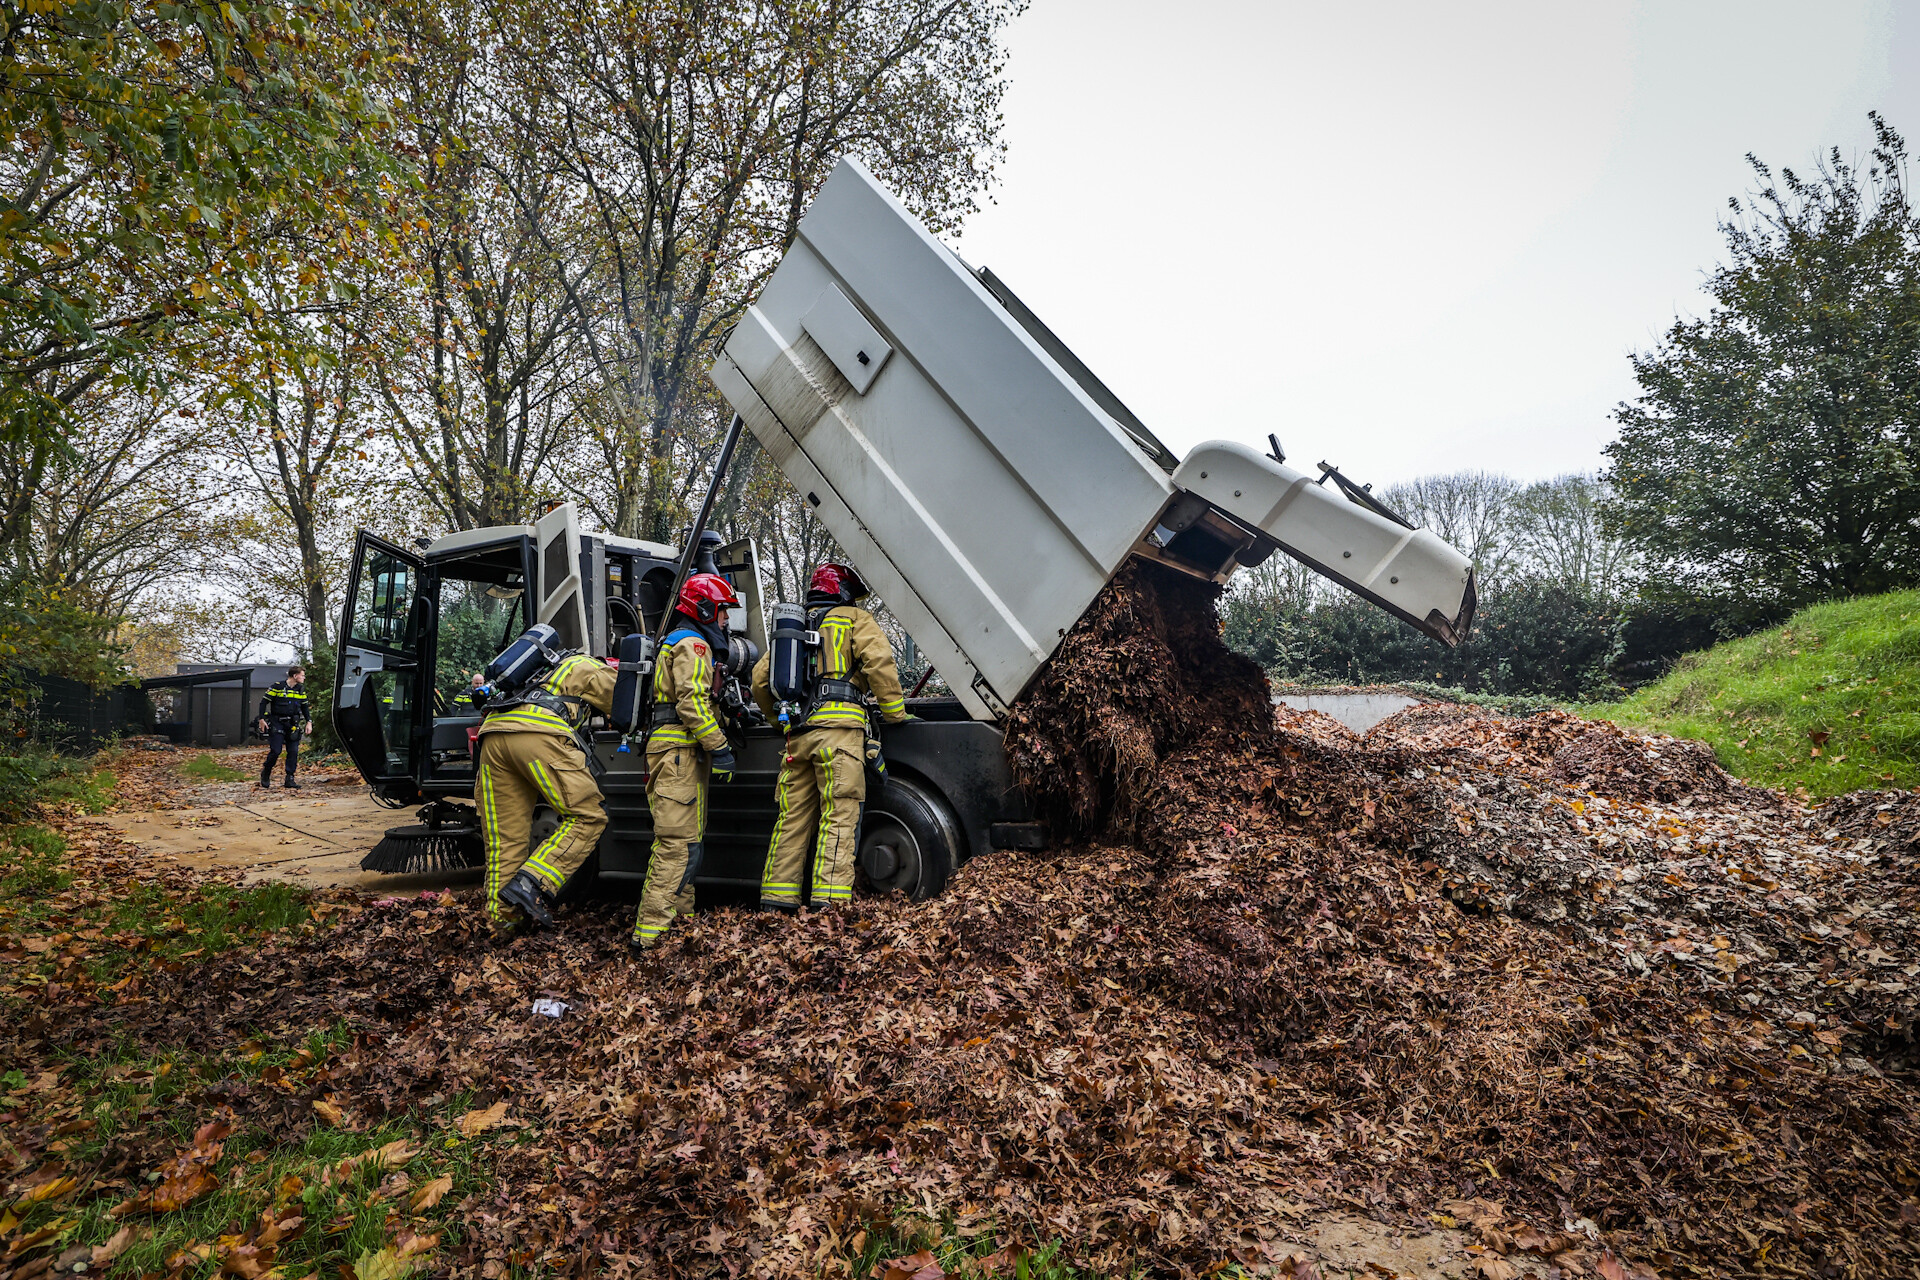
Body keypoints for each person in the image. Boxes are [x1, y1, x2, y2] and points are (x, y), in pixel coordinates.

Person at [750, 562, 910, 913]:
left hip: (798, 739)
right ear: (844, 593)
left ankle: (776, 901)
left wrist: (780, 723)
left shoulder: (789, 630)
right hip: (839, 737)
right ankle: (830, 906)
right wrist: (895, 712)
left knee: (790, 821)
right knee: (838, 817)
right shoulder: (852, 618)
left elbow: (760, 680)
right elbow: (878, 661)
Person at [631, 573, 740, 955]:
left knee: (688, 844)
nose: (726, 620)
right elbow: (691, 703)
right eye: (723, 611)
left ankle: (680, 927)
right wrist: (720, 746)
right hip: (679, 750)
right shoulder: (693, 644)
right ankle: (651, 938)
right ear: (705, 609)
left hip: (675, 750)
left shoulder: (676, 640)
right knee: (677, 847)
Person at [474, 646, 617, 933]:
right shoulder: (587, 665)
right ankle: (533, 881)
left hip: (492, 739)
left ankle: (502, 923)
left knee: (505, 841)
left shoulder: (533, 670)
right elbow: (626, 702)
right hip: (537, 736)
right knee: (588, 816)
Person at [256, 666, 313, 789]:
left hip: (292, 724)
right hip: (277, 722)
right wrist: (261, 719)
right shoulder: (277, 687)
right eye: (302, 675)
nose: (304, 677)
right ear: (295, 676)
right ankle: (266, 772)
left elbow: (304, 706)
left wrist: (309, 721)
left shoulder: (300, 690)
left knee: (293, 751)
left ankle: (290, 778)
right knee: (276, 751)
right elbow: (264, 702)